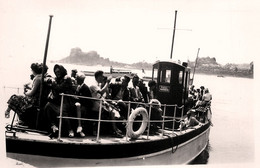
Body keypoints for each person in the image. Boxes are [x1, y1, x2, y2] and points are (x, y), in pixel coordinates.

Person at [5, 63, 43, 127]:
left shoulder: (37, 78)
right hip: (35, 99)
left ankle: (7, 112)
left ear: (33, 70)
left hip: (33, 101)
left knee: (14, 98)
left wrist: (26, 93)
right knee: (18, 98)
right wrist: (28, 89)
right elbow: (36, 90)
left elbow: (32, 93)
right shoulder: (40, 77)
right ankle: (20, 119)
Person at [44, 64, 74, 137]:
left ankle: (70, 129)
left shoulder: (67, 78)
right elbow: (46, 80)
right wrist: (49, 79)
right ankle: (53, 126)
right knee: (48, 106)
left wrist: (53, 83)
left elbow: (60, 88)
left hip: (68, 100)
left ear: (62, 70)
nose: (57, 73)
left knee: (62, 111)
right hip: (58, 101)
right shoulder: (57, 79)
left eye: (59, 71)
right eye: (56, 72)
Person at [73, 72, 93, 137]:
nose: (75, 80)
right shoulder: (79, 87)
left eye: (76, 79)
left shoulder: (85, 88)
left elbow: (86, 100)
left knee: (78, 109)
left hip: (86, 107)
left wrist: (77, 98)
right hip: (82, 105)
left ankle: (80, 128)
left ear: (79, 80)